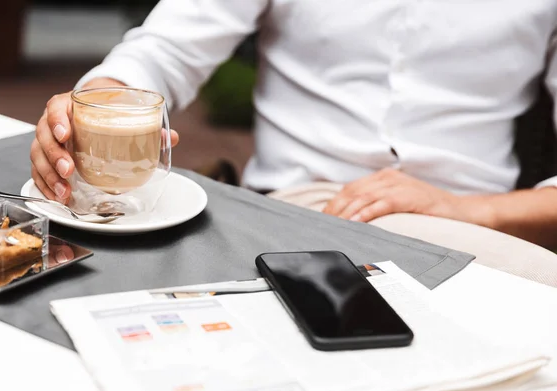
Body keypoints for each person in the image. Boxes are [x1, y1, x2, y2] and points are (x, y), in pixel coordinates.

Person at [30, 0, 557, 248]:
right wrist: (90, 108)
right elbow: (164, 52)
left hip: (484, 226)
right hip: (300, 204)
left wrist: (476, 210)